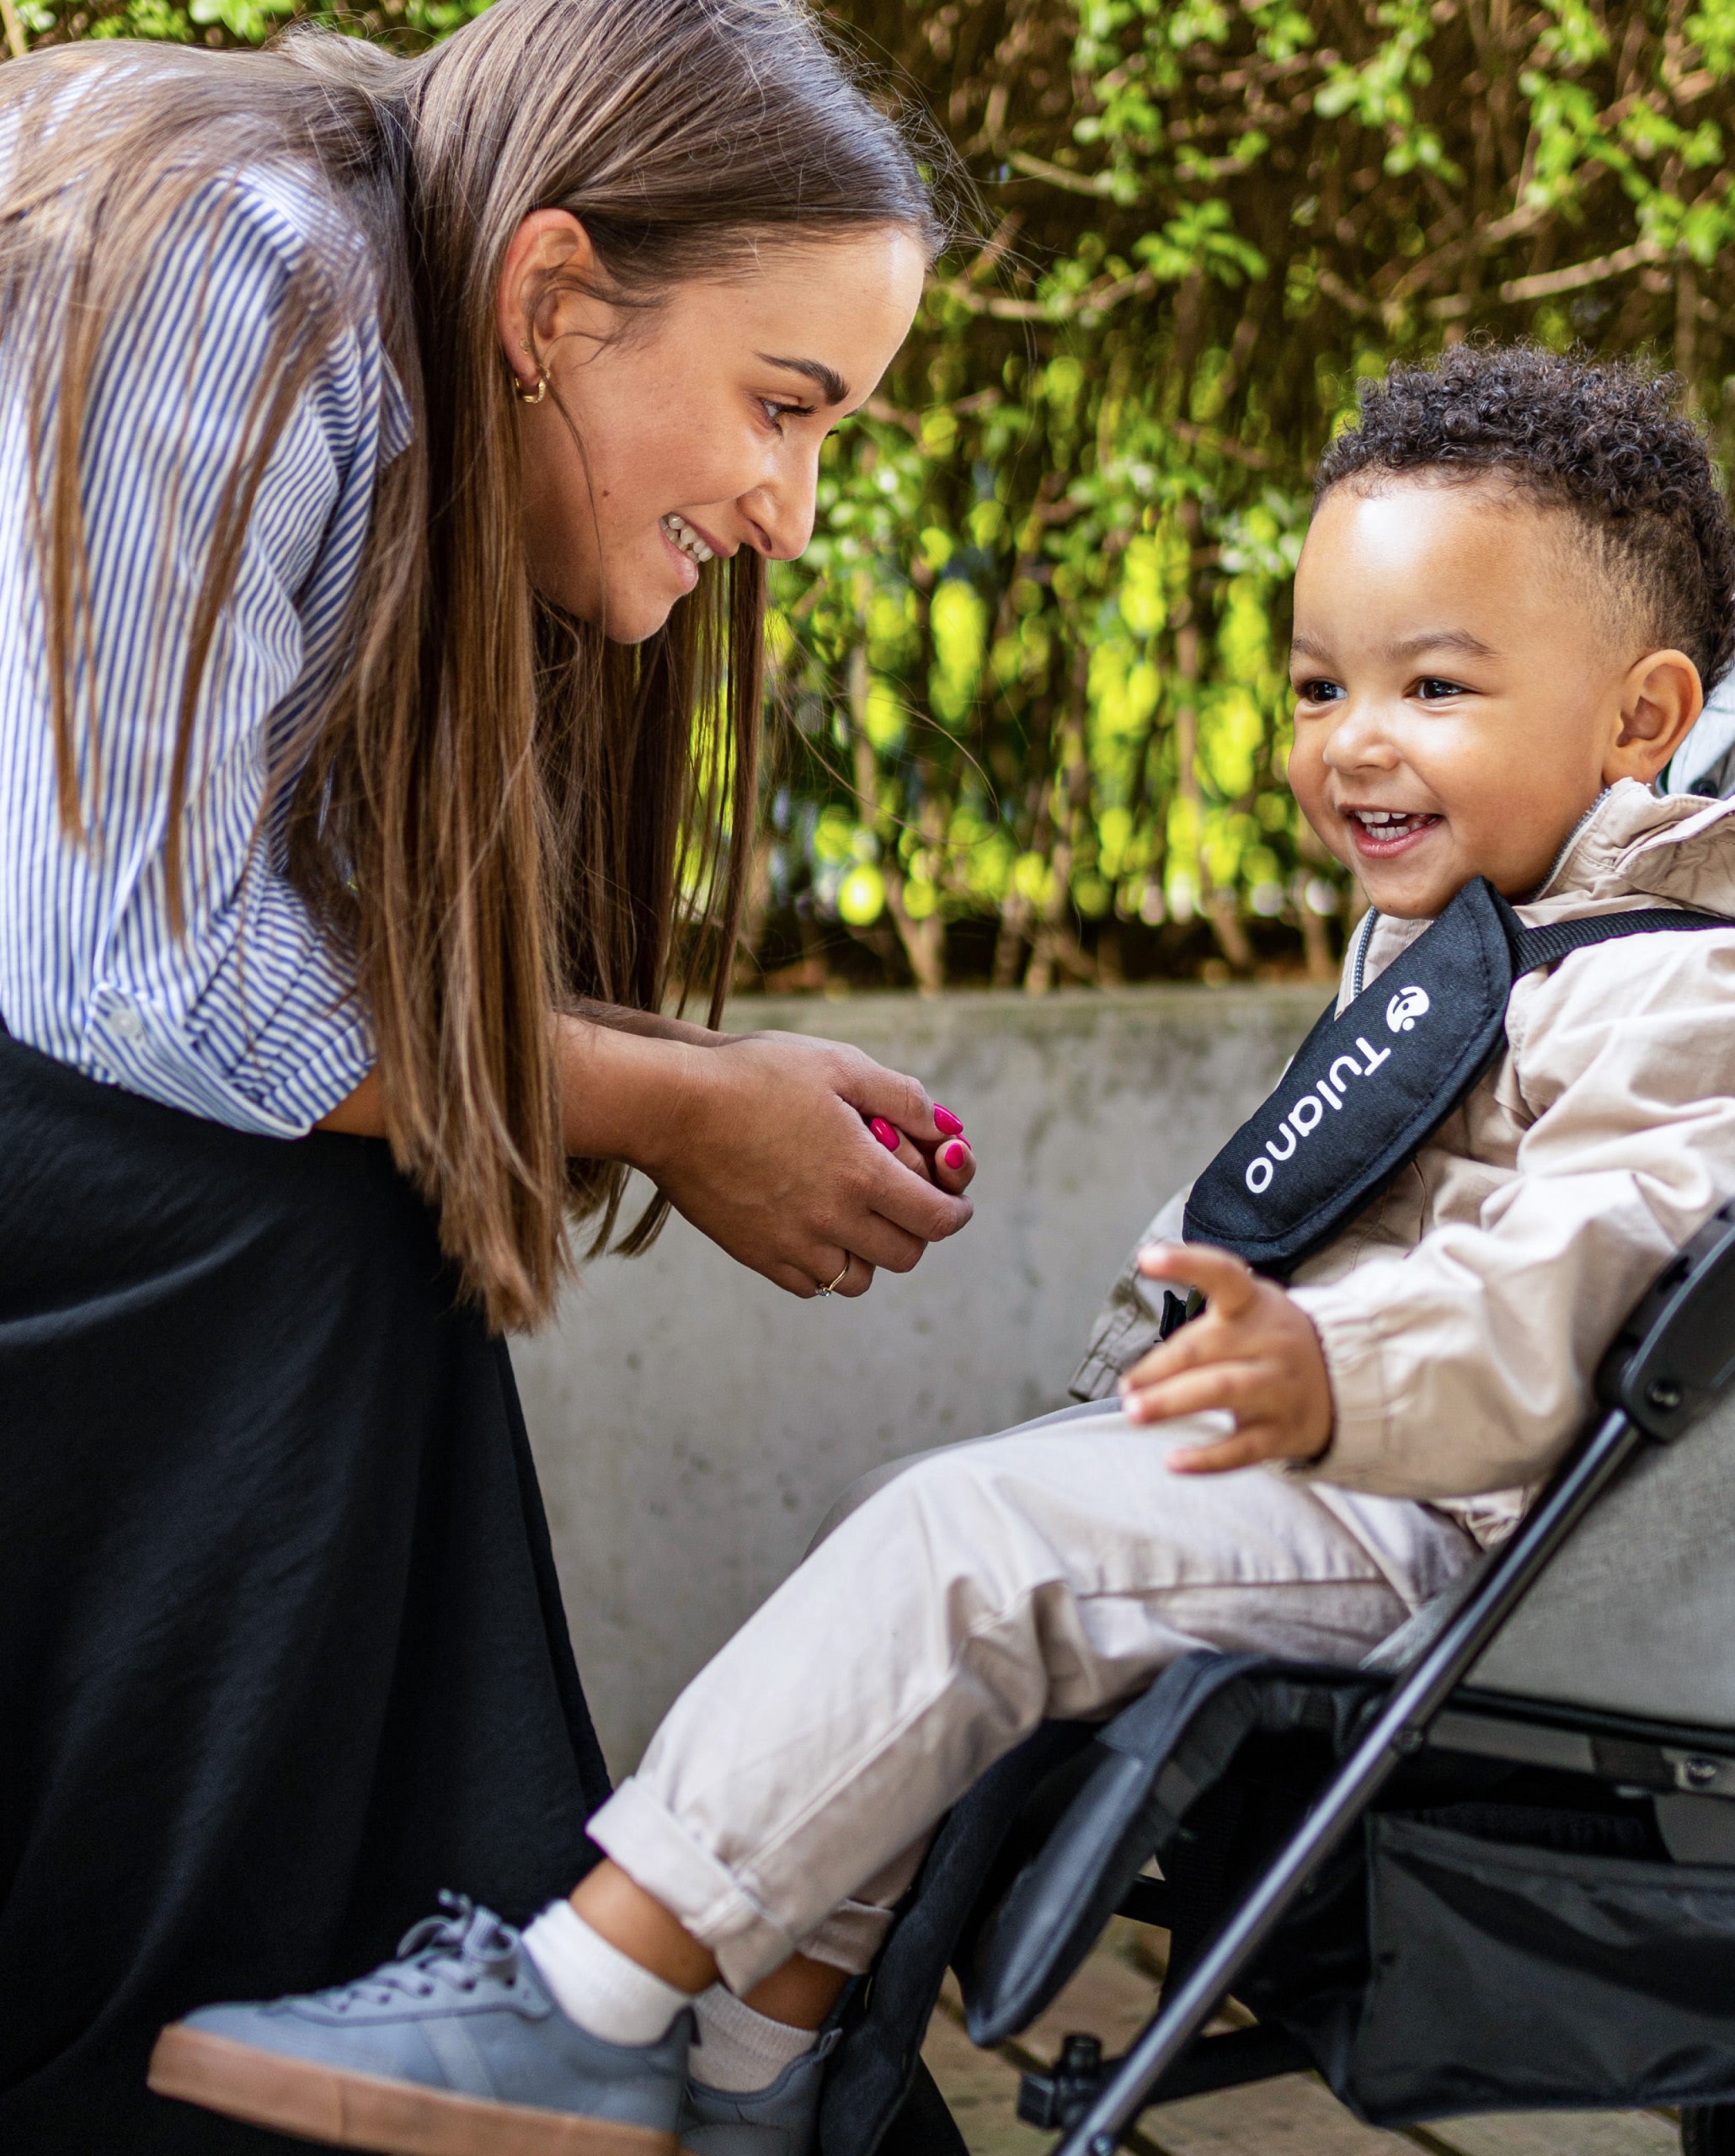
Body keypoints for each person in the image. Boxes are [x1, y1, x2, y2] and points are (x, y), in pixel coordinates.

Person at [152, 346, 1735, 2156]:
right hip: (1372, 1475)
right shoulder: (1493, 936)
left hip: (1488, 1531)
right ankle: (751, 2083)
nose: (1351, 739)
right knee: (925, 1537)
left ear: (1640, 719)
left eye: (1434, 686)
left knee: (965, 1553)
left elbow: (1615, 1275)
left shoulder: (1713, 984)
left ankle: (579, 2008)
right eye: (1318, 685)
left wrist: (1332, 1369)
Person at [0, 5, 979, 2149]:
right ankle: (238, 2033)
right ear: (552, 298)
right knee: (287, 1208)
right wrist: (670, 1105)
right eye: (780, 405)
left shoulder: (397, 320)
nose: (791, 512)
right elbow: (143, 974)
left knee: (336, 1194)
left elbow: (260, 942)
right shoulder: (246, 260)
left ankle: (410, 2005)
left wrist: (693, 1076)